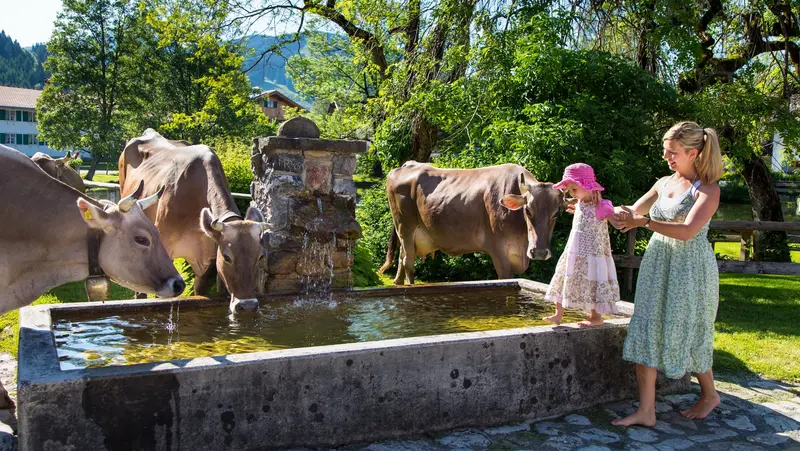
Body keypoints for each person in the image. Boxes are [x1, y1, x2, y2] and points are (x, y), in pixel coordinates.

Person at [610, 121, 724, 427]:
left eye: (673, 152)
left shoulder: (708, 190)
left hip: (690, 270)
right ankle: (646, 411)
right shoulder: (662, 184)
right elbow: (631, 213)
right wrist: (597, 206)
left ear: (694, 152)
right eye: (665, 151)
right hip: (658, 264)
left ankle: (710, 395)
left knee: (687, 329)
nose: (667, 157)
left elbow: (687, 231)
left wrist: (643, 223)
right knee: (646, 326)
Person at [543, 163, 620, 327]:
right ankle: (558, 314)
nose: (571, 193)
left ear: (587, 186)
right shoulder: (581, 203)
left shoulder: (602, 206)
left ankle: (596, 317)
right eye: (569, 190)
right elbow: (581, 211)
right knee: (564, 276)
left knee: (593, 281)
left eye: (574, 189)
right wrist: (576, 209)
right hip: (574, 251)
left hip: (593, 253)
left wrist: (620, 217)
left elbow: (615, 219)